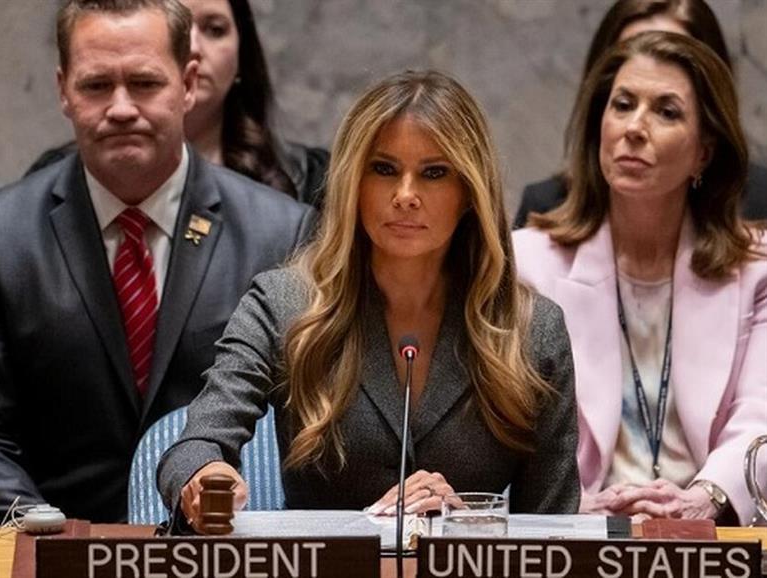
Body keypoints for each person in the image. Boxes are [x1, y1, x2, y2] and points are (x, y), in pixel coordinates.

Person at [158, 70, 580, 532]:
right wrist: (206, 476)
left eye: (434, 173)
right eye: (383, 169)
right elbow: (195, 446)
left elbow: (553, 533)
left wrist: (460, 525)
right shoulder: (283, 305)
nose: (405, 196)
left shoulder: (534, 330)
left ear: (469, 193)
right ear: (353, 183)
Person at [0, 0, 315, 523]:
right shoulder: (6, 236)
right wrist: (47, 537)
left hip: (218, 548)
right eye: (97, 85)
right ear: (63, 90)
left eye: (144, 83)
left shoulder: (280, 234)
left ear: (187, 84)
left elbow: (308, 433)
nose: (121, 108)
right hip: (49, 545)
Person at [513, 31, 767, 525]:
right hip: (577, 537)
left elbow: (760, 415)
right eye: (623, 105)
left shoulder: (756, 270)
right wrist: (569, 505)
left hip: (710, 537)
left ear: (704, 152)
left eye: (666, 112)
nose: (634, 128)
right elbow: (499, 439)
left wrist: (705, 497)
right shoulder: (525, 265)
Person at [26, 0, 329, 207]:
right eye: (178, 26)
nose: (192, 46)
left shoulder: (306, 179)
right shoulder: (52, 182)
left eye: (214, 29)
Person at [513, 0, 767, 229]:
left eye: (673, 55)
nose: (647, 65)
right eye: (624, 103)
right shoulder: (544, 210)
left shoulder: (760, 205)